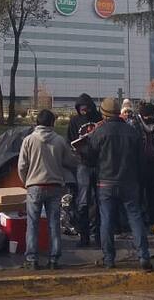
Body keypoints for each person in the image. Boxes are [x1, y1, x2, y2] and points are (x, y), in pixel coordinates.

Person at [87, 97, 152, 271]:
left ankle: (109, 259)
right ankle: (144, 256)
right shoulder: (132, 132)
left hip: (105, 183)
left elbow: (90, 158)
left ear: (104, 113)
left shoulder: (99, 132)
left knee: (106, 221)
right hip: (129, 182)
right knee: (135, 218)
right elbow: (141, 160)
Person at [18, 109, 78, 269]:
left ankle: (31, 259)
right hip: (54, 186)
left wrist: (27, 182)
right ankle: (54, 260)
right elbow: (70, 161)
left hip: (34, 186)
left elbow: (22, 166)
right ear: (52, 123)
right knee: (53, 224)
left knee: (32, 224)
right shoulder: (59, 140)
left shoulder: (28, 140)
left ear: (37, 123)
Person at [67, 93, 102, 247]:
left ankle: (99, 236)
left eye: (86, 108)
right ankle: (84, 237)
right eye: (81, 108)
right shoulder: (74, 121)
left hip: (99, 164)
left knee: (101, 201)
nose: (84, 111)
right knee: (83, 202)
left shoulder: (99, 119)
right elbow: (70, 141)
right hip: (83, 164)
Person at [137, 101, 154, 236]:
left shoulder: (151, 128)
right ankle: (140, 223)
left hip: (152, 164)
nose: (152, 118)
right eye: (150, 115)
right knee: (139, 196)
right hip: (141, 166)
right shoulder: (136, 126)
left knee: (151, 195)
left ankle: (153, 222)